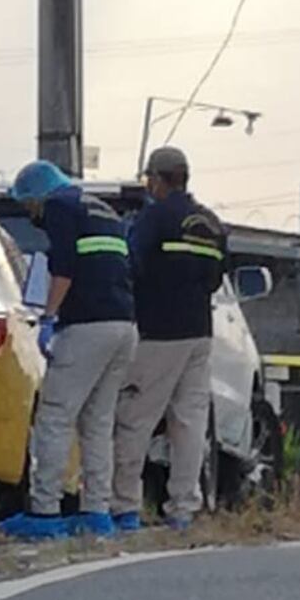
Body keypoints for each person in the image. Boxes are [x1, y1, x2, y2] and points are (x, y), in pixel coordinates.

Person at [0, 162, 135, 542]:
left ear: (37, 196)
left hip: (86, 324)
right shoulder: (102, 209)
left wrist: (49, 316)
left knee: (56, 416)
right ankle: (96, 512)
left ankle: (45, 510)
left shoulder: (59, 205)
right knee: (97, 422)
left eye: (28, 206)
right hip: (123, 324)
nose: (31, 214)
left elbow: (64, 267)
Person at [111, 145, 227, 533]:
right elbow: (214, 280)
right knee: (189, 423)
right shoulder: (211, 223)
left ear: (158, 180)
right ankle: (183, 507)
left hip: (158, 332)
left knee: (135, 417)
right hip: (199, 333)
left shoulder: (155, 216)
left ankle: (123, 505)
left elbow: (131, 264)